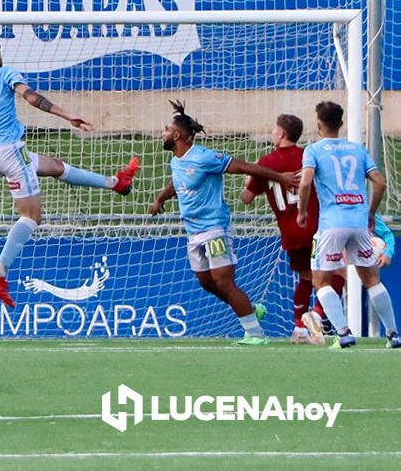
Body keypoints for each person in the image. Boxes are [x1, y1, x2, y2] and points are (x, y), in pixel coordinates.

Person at [0, 36, 139, 306]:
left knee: (55, 167)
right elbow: (31, 98)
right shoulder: (5, 73)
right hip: (11, 151)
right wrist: (67, 115)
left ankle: (115, 182)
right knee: (32, 216)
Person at [150, 101, 298, 345]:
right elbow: (177, 183)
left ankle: (255, 335)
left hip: (215, 228)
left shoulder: (204, 157)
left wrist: (280, 177)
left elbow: (245, 167)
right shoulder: (176, 161)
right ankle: (249, 308)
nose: (163, 134)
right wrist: (159, 199)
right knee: (206, 282)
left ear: (177, 134)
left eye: (166, 129)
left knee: (223, 281)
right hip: (193, 232)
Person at [296, 100, 400, 349]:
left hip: (332, 224)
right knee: (371, 279)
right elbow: (381, 183)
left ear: (318, 124)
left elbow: (305, 182)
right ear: (341, 124)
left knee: (321, 281)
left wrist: (301, 211)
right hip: (358, 221)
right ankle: (393, 334)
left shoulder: (313, 150)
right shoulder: (358, 150)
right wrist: (371, 213)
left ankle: (343, 333)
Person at [240, 114, 344, 345]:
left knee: (307, 276)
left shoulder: (265, 163)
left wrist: (250, 178)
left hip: (289, 232)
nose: (272, 133)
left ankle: (299, 328)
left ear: (281, 134)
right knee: (336, 274)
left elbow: (246, 198)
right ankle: (316, 314)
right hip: (314, 226)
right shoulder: (308, 154)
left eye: (274, 129)